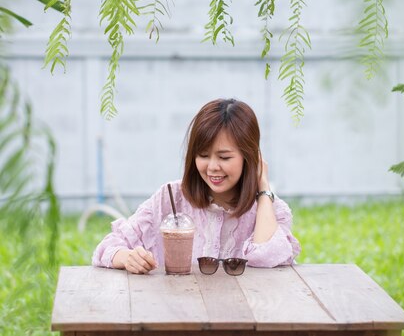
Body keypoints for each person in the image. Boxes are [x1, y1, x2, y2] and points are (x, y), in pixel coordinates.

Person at [92, 98, 301, 274]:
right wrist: (127, 257)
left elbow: (268, 257)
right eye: (202, 155)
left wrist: (263, 189)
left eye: (224, 157)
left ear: (250, 157)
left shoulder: (270, 210)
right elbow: (107, 247)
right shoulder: (170, 198)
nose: (212, 167)